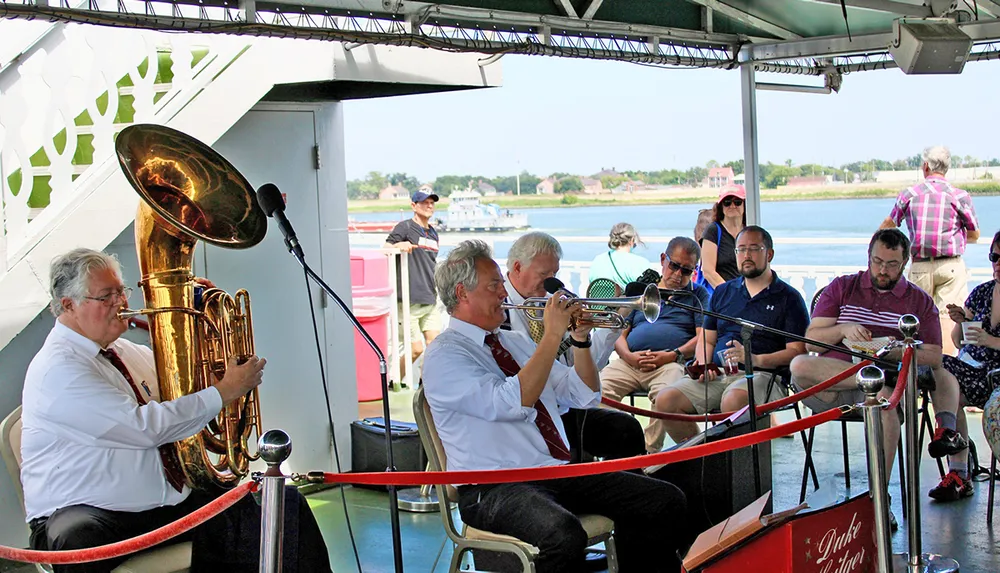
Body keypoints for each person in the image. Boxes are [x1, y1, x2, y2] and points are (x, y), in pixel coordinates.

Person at [20, 248, 331, 573]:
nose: (121, 303)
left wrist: (212, 373)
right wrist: (223, 392)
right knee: (78, 540)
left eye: (121, 292)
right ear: (69, 305)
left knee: (280, 506)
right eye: (105, 297)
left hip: (157, 503)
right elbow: (144, 428)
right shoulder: (59, 367)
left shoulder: (125, 351)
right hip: (85, 513)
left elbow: (179, 402)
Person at [422, 240, 692, 573]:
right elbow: (511, 402)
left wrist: (580, 340)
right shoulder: (445, 356)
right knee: (563, 534)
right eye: (495, 286)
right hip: (490, 487)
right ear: (463, 294)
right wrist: (552, 335)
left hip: (549, 472)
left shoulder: (515, 342)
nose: (504, 294)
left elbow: (582, 394)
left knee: (664, 500)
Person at [789, 229, 968, 505]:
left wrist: (896, 351)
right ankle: (871, 377)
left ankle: (877, 498)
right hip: (833, 382)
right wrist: (843, 329)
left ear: (905, 263)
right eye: (877, 261)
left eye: (892, 264)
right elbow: (811, 339)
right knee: (799, 365)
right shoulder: (843, 286)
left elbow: (934, 357)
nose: (882, 270)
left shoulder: (919, 300)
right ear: (869, 257)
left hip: (882, 389)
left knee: (885, 406)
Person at [655, 226, 809, 443]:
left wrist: (754, 359)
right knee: (666, 400)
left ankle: (737, 471)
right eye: (741, 250)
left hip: (764, 376)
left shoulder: (789, 297)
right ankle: (703, 461)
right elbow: (708, 339)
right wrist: (704, 365)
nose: (746, 255)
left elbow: (797, 352)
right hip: (718, 374)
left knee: (733, 400)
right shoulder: (723, 292)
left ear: (770, 254)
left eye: (754, 249)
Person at [504, 232, 644, 462]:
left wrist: (605, 325)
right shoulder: (500, 309)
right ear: (518, 267)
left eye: (555, 274)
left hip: (564, 409)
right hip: (525, 417)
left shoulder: (551, 301)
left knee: (625, 429)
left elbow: (582, 372)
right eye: (544, 274)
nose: (551, 282)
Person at [600, 237, 711, 453]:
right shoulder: (643, 291)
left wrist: (672, 354)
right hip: (629, 362)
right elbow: (619, 333)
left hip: (671, 363)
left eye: (687, 271)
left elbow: (703, 337)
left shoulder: (697, 295)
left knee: (665, 397)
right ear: (663, 260)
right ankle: (616, 450)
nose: (678, 275)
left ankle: (648, 455)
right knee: (597, 391)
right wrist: (628, 356)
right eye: (674, 266)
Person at [880, 146, 980, 356]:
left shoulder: (909, 194)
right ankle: (945, 369)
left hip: (919, 265)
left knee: (915, 320)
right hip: (950, 265)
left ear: (925, 166)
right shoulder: (959, 196)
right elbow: (975, 234)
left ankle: (917, 371)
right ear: (947, 168)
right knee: (947, 318)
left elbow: (888, 227)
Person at [932, 230, 1000, 501]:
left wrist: (991, 341)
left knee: (951, 381)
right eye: (994, 256)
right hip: (973, 369)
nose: (998, 263)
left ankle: (959, 467)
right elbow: (959, 342)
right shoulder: (982, 292)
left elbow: (984, 340)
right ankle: (958, 468)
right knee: (941, 369)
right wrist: (960, 321)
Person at [384, 190, 443, 366]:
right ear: (414, 206)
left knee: (436, 348)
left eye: (432, 203)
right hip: (408, 300)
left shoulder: (433, 232)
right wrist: (399, 245)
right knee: (415, 349)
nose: (429, 206)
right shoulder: (405, 227)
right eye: (424, 202)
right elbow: (385, 248)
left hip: (429, 297)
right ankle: (392, 383)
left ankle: (424, 386)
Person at [699, 185, 747, 289]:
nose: (732, 206)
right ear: (721, 206)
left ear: (744, 204)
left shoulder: (749, 231)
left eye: (737, 202)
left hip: (746, 293)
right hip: (722, 294)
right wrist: (730, 293)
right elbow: (708, 271)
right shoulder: (713, 231)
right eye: (727, 202)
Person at [588, 222, 652, 289]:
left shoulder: (598, 260)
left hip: (597, 299)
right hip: (626, 299)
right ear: (632, 240)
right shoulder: (641, 263)